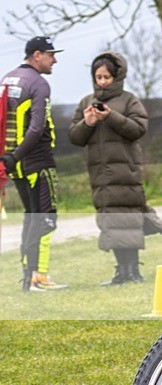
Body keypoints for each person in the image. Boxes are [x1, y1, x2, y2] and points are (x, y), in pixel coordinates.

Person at [68, 52, 162, 285]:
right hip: (100, 176)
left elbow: (138, 129)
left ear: (117, 76)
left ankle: (133, 270)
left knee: (128, 219)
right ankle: (121, 271)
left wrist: (110, 116)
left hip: (126, 172)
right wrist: (88, 122)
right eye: (98, 77)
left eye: (106, 77)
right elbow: (74, 136)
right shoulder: (86, 102)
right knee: (110, 221)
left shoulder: (129, 100)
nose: (102, 81)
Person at [0, 36, 67, 291]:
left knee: (30, 218)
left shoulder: (7, 78)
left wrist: (9, 157)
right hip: (36, 161)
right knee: (45, 218)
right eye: (51, 55)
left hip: (14, 164)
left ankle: (28, 276)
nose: (55, 60)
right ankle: (39, 276)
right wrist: (18, 155)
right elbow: (37, 128)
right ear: (37, 55)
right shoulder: (38, 83)